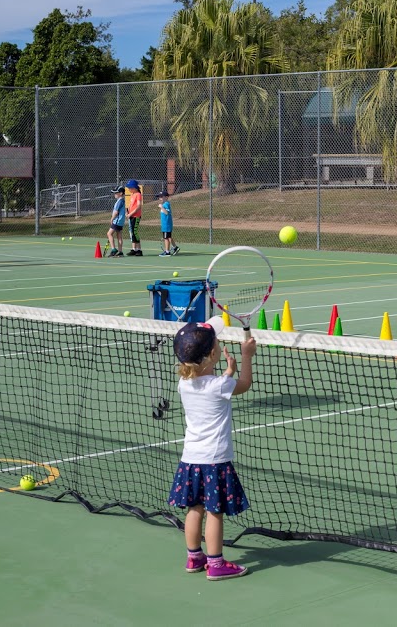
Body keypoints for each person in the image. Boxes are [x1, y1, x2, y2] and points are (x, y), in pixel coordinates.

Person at [167, 317, 257, 580]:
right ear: (212, 355)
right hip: (215, 461)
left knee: (194, 509)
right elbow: (244, 385)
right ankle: (216, 563)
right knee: (215, 511)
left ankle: (194, 557)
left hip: (190, 459)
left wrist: (227, 371)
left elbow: (215, 384)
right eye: (216, 342)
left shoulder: (185, 384)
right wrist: (246, 357)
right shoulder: (221, 386)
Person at [156, 191, 180, 257]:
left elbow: (166, 213)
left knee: (166, 238)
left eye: (161, 197)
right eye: (159, 197)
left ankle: (167, 252)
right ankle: (175, 247)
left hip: (167, 224)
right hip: (165, 224)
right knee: (169, 237)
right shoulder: (165, 204)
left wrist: (161, 207)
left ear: (166, 197)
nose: (160, 198)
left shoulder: (166, 204)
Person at [124, 179, 143, 256]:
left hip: (135, 216)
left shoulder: (138, 194)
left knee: (135, 232)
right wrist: (127, 212)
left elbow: (138, 206)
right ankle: (134, 249)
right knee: (131, 232)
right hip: (131, 216)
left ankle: (139, 249)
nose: (129, 189)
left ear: (134, 188)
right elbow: (130, 205)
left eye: (130, 188)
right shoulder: (132, 195)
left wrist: (131, 214)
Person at [107, 186, 126, 257]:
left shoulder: (119, 201)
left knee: (109, 234)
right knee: (119, 236)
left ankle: (114, 250)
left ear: (121, 193)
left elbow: (116, 212)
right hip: (120, 221)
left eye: (116, 193)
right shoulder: (122, 201)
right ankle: (120, 251)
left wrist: (112, 219)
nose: (114, 194)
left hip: (117, 221)